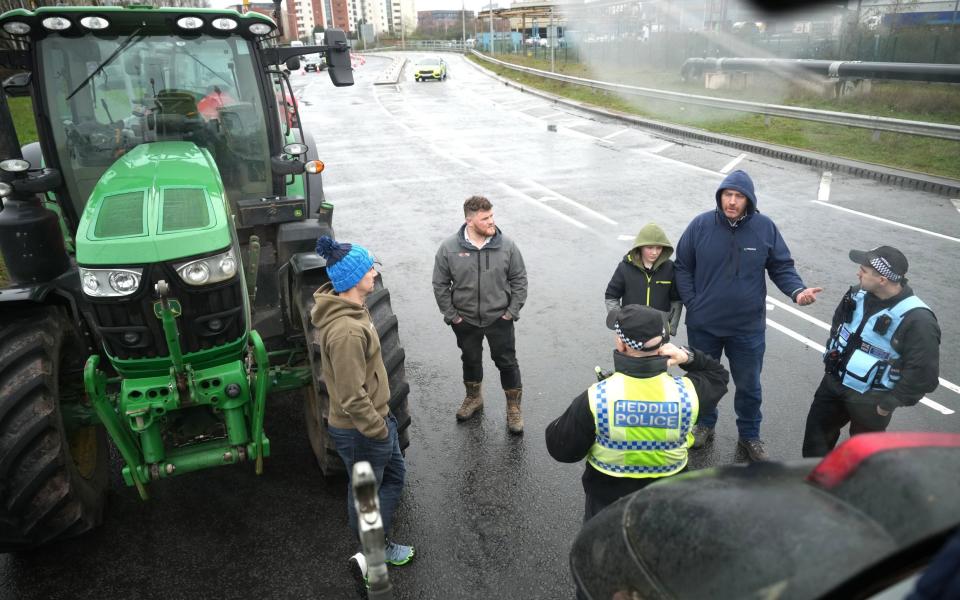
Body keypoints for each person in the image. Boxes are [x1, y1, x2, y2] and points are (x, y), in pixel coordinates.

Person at [674, 169, 822, 462]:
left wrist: (797, 291)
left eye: (738, 196)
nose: (731, 201)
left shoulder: (764, 228)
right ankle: (704, 425)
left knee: (749, 384)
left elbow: (781, 266)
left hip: (747, 327)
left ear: (748, 200)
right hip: (705, 325)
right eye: (727, 195)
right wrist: (694, 303)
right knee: (702, 379)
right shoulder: (700, 225)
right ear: (720, 197)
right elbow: (682, 266)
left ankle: (750, 436)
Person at [545, 304, 729, 522]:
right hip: (669, 502)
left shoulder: (597, 398)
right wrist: (687, 357)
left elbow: (562, 450)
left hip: (607, 505)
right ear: (663, 345)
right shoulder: (689, 394)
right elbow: (718, 375)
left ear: (621, 344)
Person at [310, 235, 415, 581]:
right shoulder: (346, 333)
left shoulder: (356, 309)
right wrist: (379, 428)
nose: (374, 272)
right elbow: (352, 397)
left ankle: (376, 545)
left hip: (377, 421)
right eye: (369, 268)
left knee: (392, 479)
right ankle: (372, 556)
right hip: (362, 430)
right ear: (354, 279)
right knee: (367, 496)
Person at [802, 246, 940, 457]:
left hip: (872, 401)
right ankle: (813, 484)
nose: (858, 274)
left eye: (863, 270)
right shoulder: (856, 294)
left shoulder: (918, 319)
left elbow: (924, 375)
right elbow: (838, 326)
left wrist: (888, 404)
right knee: (814, 446)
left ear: (883, 279)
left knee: (862, 459)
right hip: (833, 385)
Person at [432, 195, 528, 434]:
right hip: (465, 320)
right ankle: (474, 398)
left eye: (492, 216)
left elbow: (519, 280)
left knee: (507, 363)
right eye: (485, 218)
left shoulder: (507, 245)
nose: (491, 221)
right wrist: (452, 316)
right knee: (470, 360)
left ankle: (513, 408)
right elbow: (440, 284)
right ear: (469, 220)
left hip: (499, 319)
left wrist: (511, 312)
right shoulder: (449, 248)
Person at [604, 222, 683, 335]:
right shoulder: (625, 268)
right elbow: (611, 296)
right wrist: (619, 322)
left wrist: (670, 327)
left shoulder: (669, 268)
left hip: (659, 330)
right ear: (640, 247)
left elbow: (676, 300)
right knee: (630, 353)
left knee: (657, 353)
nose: (654, 252)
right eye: (649, 248)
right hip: (630, 329)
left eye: (659, 248)